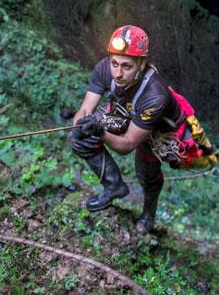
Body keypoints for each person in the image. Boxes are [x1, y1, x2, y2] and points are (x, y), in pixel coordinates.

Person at [68, 25, 183, 235]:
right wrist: (82, 124)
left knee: (147, 174)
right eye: (115, 63)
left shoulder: (155, 95)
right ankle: (114, 186)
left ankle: (148, 214)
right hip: (124, 113)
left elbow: (128, 144)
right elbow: (85, 109)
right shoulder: (105, 68)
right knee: (78, 137)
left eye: (127, 67)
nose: (118, 73)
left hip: (155, 131)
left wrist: (100, 131)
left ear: (141, 64)